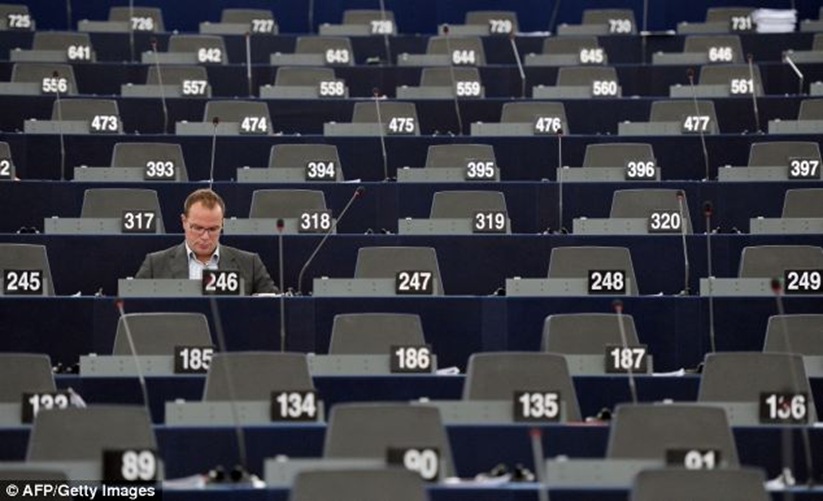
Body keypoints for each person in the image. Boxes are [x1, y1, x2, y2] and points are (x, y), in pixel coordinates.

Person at [135, 188, 277, 295]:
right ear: (184, 222)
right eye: (198, 228)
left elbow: (273, 307)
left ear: (222, 225)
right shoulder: (156, 264)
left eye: (213, 229)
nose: (205, 236)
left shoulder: (249, 264)